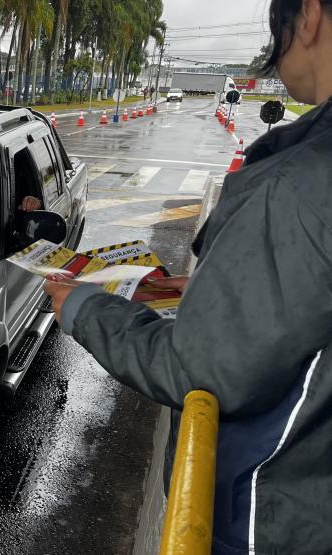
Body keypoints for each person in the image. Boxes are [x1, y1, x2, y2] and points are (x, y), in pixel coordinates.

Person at [43, 0, 332, 552]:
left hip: (265, 519)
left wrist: (81, 306)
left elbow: (202, 372)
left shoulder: (300, 182)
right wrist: (212, 290)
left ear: (310, 15)